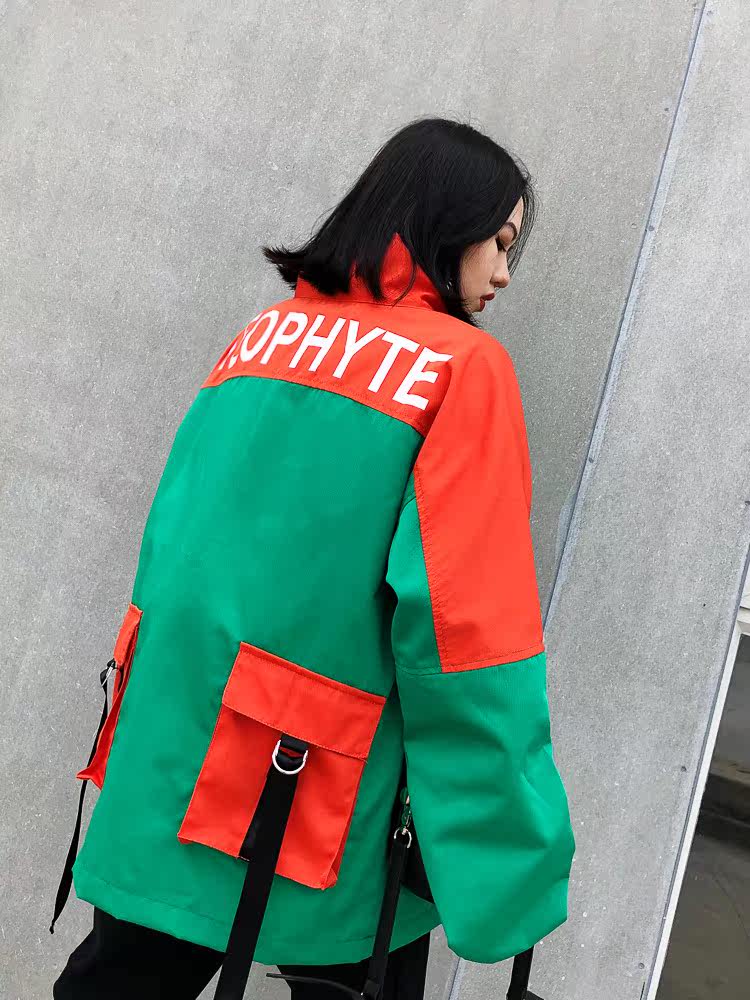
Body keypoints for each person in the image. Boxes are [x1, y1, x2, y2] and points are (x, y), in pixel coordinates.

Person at [51, 116, 575, 1000]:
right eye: (499, 241)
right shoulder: (462, 369)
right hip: (312, 791)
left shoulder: (260, 339)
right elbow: (466, 643)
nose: (504, 274)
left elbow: (175, 553)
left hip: (172, 754)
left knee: (122, 980)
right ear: (446, 222)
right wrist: (513, 857)